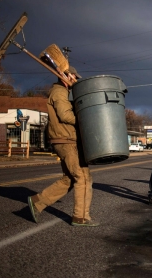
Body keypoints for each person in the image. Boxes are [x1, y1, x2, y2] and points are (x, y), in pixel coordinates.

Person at [28, 66, 99, 226]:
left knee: (69, 179)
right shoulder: (59, 92)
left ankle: (37, 202)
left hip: (66, 139)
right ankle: (80, 217)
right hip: (67, 140)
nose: (75, 79)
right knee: (82, 177)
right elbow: (66, 115)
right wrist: (87, 120)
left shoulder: (63, 93)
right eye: (73, 76)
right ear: (64, 76)